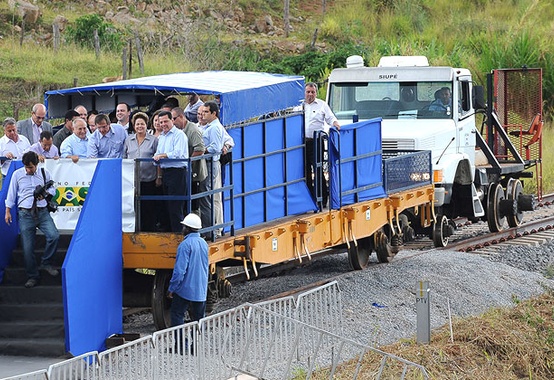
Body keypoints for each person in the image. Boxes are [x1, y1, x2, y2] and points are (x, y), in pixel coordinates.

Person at [4, 151, 60, 288]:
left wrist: (45, 194)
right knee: (27, 248)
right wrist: (7, 211)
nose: (29, 170)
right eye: (26, 167)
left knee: (54, 236)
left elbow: (53, 188)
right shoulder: (17, 174)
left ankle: (46, 262)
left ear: (36, 164)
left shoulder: (44, 173)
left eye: (31, 167)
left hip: (42, 211)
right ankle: (32, 276)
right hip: (25, 213)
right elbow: (11, 193)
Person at [167, 212, 209, 352]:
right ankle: (195, 347)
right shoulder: (204, 244)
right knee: (198, 319)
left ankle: (180, 345)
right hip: (201, 289)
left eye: (184, 226)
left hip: (185, 289)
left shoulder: (185, 245)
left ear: (187, 228)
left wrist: (172, 288)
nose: (182, 228)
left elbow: (180, 271)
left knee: (177, 315)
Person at [298, 82, 340, 208]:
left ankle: (321, 199)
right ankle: (308, 199)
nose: (310, 94)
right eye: (308, 92)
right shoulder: (299, 106)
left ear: (316, 93)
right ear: (304, 93)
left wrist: (336, 124)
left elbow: (331, 118)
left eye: (312, 92)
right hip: (302, 143)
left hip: (316, 142)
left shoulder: (322, 105)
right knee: (304, 171)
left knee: (318, 169)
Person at [153, 110, 189, 233]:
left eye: (166, 121)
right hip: (166, 172)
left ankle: (179, 234)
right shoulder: (162, 137)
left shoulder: (179, 135)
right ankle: (171, 232)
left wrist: (163, 156)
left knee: (176, 206)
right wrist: (158, 158)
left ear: (172, 120)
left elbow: (178, 153)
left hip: (177, 172)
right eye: (161, 122)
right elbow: (157, 154)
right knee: (167, 205)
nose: (163, 124)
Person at [124, 112, 159, 231]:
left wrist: (159, 176)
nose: (140, 126)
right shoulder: (128, 140)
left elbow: (158, 159)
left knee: (149, 206)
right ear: (134, 126)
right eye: (137, 124)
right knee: (133, 206)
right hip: (132, 180)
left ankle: (150, 230)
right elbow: (124, 157)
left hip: (149, 178)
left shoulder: (153, 140)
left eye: (142, 124)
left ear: (146, 125)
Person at [172, 107, 207, 213]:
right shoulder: (178, 131)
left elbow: (200, 149)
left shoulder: (192, 130)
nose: (172, 122)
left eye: (174, 118)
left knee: (194, 203)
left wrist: (188, 163)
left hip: (194, 173)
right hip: (184, 173)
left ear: (181, 117)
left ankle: (196, 226)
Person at [199, 101, 225, 238]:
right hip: (208, 163)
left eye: (206, 112)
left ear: (213, 113)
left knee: (207, 195)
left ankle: (210, 230)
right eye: (202, 112)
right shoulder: (208, 126)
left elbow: (215, 148)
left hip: (210, 163)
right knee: (207, 195)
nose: (203, 115)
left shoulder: (214, 128)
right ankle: (211, 228)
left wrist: (202, 150)